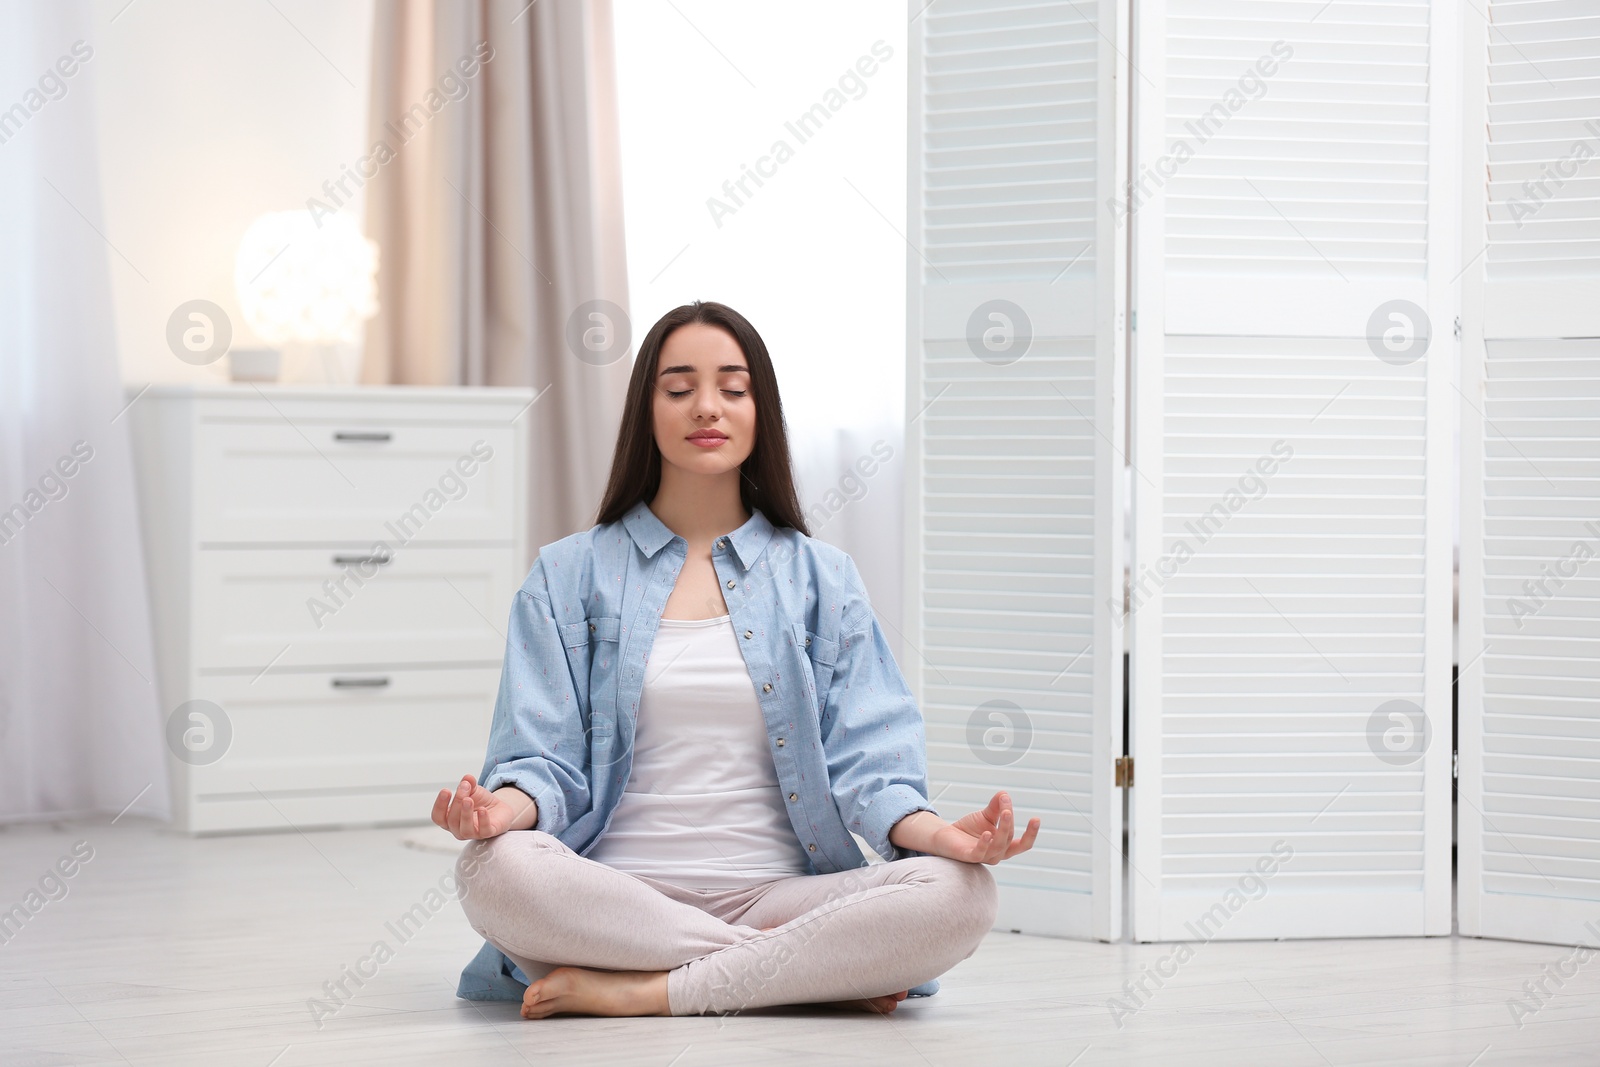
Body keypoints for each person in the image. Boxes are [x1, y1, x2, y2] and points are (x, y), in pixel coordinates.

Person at [433, 300, 1040, 1019]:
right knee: (493, 869)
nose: (706, 407)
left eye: (734, 386)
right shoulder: (566, 575)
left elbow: (871, 764)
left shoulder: (824, 578)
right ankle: (801, 968)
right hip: (614, 899)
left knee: (962, 892)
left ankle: (652, 989)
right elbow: (543, 757)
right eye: (679, 387)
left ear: (762, 410)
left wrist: (945, 836)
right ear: (646, 411)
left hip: (778, 892)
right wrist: (498, 808)